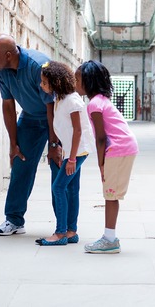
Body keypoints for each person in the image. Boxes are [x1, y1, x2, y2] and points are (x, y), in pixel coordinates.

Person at [0, 34, 62, 236]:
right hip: (30, 119)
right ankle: (14, 220)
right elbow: (8, 105)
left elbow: (52, 107)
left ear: (9, 55)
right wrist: (14, 143)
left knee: (59, 168)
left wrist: (54, 145)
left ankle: (64, 226)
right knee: (20, 165)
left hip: (56, 118)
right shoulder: (2, 71)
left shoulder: (38, 67)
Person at [75, 60, 138, 254]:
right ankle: (109, 237)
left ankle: (110, 240)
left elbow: (101, 138)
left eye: (77, 79)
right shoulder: (101, 100)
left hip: (118, 149)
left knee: (110, 195)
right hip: (123, 147)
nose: (75, 83)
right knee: (111, 194)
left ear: (88, 81)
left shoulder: (94, 105)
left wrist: (101, 164)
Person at [35, 61, 94, 246]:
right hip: (73, 150)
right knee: (71, 189)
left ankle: (60, 233)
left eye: (44, 82)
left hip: (78, 151)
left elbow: (77, 131)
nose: (41, 85)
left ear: (56, 82)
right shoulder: (59, 99)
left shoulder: (72, 100)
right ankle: (71, 232)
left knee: (58, 188)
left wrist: (72, 159)